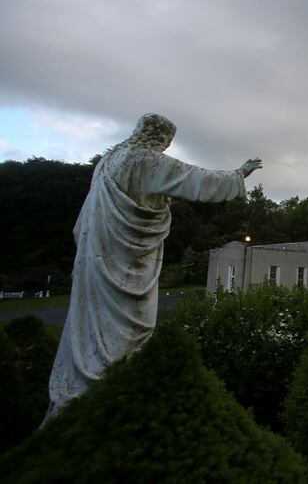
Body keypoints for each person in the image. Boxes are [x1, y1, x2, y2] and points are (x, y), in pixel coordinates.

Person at [43, 113, 262, 423]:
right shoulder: (143, 160)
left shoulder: (108, 161)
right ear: (158, 138)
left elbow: (82, 223)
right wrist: (239, 174)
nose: (164, 148)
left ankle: (82, 385)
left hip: (96, 254)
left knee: (89, 322)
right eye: (165, 142)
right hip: (125, 264)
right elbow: (192, 178)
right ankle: (109, 393)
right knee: (130, 330)